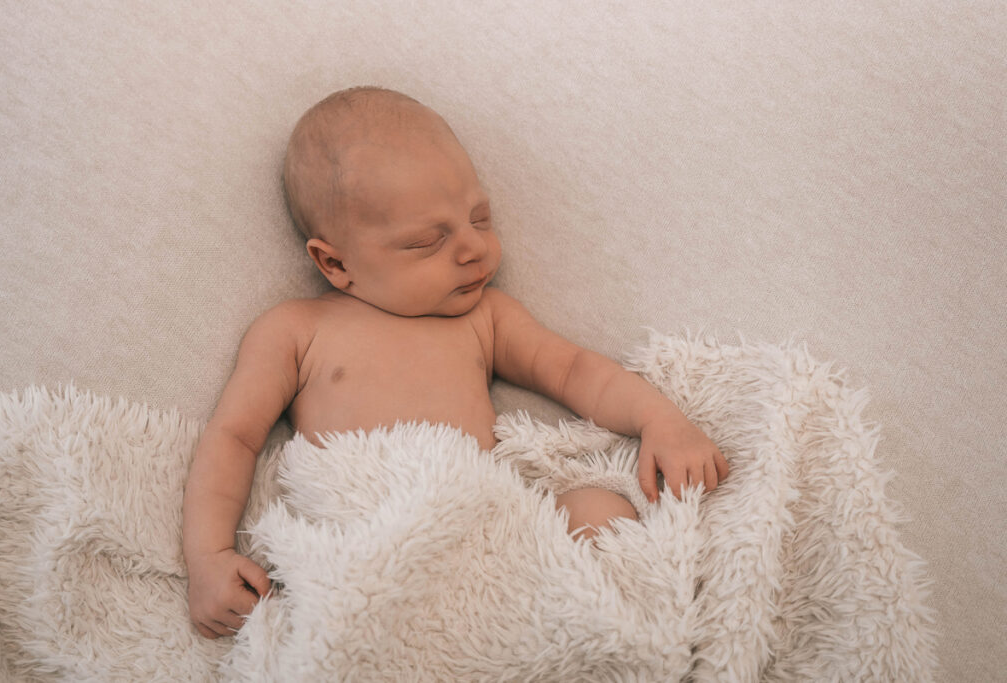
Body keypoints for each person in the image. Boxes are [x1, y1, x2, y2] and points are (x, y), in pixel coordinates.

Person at [182, 86, 729, 639]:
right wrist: (209, 556)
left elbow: (574, 371)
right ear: (335, 263)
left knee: (599, 511)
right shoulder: (295, 330)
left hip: (487, 535)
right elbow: (234, 437)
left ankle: (581, 644)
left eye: (479, 217)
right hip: (367, 550)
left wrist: (661, 420)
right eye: (426, 241)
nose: (472, 249)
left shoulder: (484, 318)